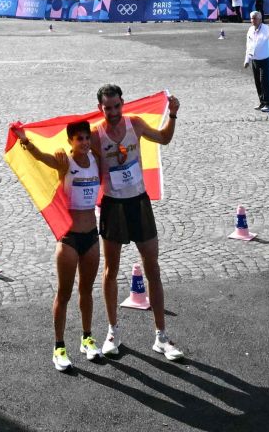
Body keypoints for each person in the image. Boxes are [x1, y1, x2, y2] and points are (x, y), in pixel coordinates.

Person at [95, 84, 183, 361]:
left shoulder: (135, 124)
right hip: (112, 206)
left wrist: (173, 114)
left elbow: (165, 139)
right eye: (107, 107)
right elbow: (74, 157)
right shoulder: (96, 134)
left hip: (139, 203)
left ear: (123, 103)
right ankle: (112, 332)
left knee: (152, 268)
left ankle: (161, 336)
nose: (112, 112)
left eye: (116, 105)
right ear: (101, 108)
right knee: (110, 270)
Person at [8, 118, 104, 371]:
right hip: (70, 238)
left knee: (87, 291)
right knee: (64, 294)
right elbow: (39, 157)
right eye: (79, 138)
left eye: (87, 138)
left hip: (92, 237)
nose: (84, 142)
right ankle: (59, 347)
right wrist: (23, 138)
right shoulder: (65, 162)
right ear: (70, 141)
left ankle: (87, 338)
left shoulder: (97, 160)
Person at [243, 11, 269, 112]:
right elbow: (248, 46)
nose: (253, 20)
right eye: (251, 18)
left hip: (264, 60)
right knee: (257, 82)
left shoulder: (266, 28)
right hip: (254, 60)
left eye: (255, 18)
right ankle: (262, 102)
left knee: (264, 82)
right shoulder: (250, 30)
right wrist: (247, 60)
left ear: (260, 19)